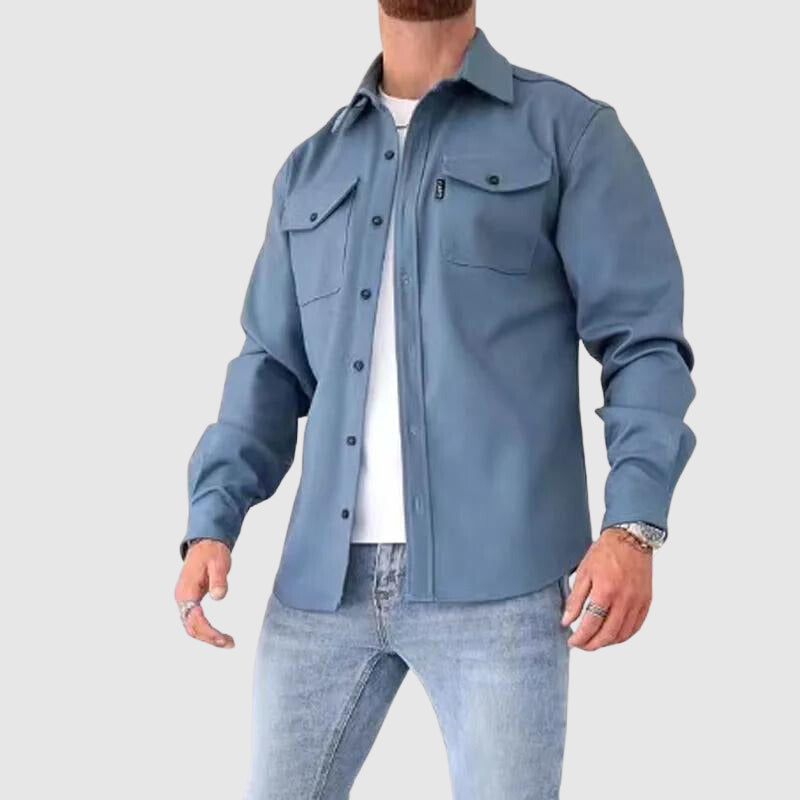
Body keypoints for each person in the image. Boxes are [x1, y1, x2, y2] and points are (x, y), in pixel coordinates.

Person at [174, 2, 696, 797]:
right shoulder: (311, 167)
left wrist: (633, 528)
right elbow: (270, 366)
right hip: (318, 590)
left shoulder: (568, 133)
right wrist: (212, 521)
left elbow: (644, 342)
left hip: (502, 588)